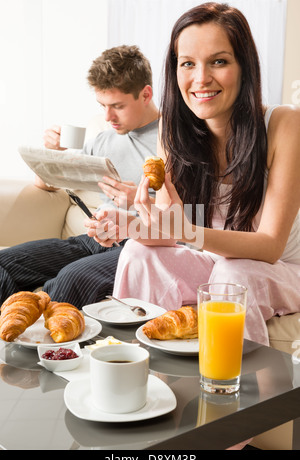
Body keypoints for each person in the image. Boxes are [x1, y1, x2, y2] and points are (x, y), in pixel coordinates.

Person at [97, 2, 300, 348]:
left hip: (281, 269)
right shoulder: (172, 134)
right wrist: (126, 225)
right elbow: (169, 231)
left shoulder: (284, 125)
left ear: (244, 66)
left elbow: (270, 246)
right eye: (188, 63)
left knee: (232, 276)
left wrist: (187, 231)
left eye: (218, 61)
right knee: (137, 253)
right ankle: (135, 368)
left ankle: (235, 393)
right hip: (214, 261)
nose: (201, 78)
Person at [0, 45, 159, 308]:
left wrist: (136, 203)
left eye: (117, 106)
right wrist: (52, 154)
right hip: (94, 239)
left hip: (140, 242)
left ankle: (46, 344)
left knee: (69, 280)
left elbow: (195, 219)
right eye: (102, 106)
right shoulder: (104, 139)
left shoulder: (173, 140)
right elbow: (48, 186)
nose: (108, 117)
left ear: (146, 94)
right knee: (4, 264)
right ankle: (11, 342)